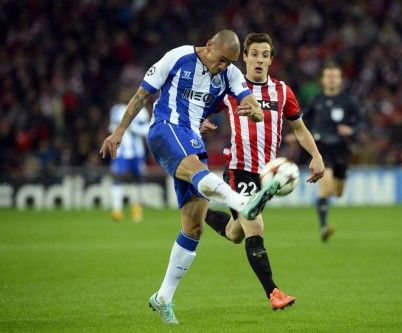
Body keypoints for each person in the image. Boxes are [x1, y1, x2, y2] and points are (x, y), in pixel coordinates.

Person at [100, 30, 283, 325]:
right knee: (199, 173)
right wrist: (119, 131)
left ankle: (162, 298)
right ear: (209, 46)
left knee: (194, 227)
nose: (222, 67)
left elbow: (252, 103)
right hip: (165, 129)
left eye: (228, 63)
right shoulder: (177, 57)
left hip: (193, 140)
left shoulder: (230, 73)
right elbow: (142, 94)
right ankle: (242, 203)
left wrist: (255, 110)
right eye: (221, 60)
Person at [201, 32, 324, 310]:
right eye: (254, 54)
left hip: (265, 175)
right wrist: (202, 120)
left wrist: (315, 155)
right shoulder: (230, 87)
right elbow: (203, 107)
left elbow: (299, 129)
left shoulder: (282, 91)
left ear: (271, 60)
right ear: (244, 57)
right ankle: (274, 293)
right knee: (254, 224)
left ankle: (200, 209)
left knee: (235, 233)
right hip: (239, 170)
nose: (259, 60)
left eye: (264, 55)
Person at [303, 63, 361, 242]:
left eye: (335, 76)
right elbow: (303, 120)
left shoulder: (349, 101)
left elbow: (361, 122)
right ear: (322, 80)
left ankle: (325, 221)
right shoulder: (316, 100)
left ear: (340, 79)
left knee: (338, 192)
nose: (331, 79)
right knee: (325, 185)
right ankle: (323, 227)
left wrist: (351, 130)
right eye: (328, 76)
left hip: (342, 150)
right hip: (322, 148)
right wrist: (301, 135)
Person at [108, 87, 150, 222]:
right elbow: (110, 128)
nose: (125, 95)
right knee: (118, 178)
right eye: (123, 93)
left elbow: (146, 130)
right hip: (121, 152)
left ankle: (137, 210)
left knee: (136, 180)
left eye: (127, 93)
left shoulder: (141, 111)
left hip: (137, 152)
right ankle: (117, 211)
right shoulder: (116, 110)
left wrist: (130, 126)